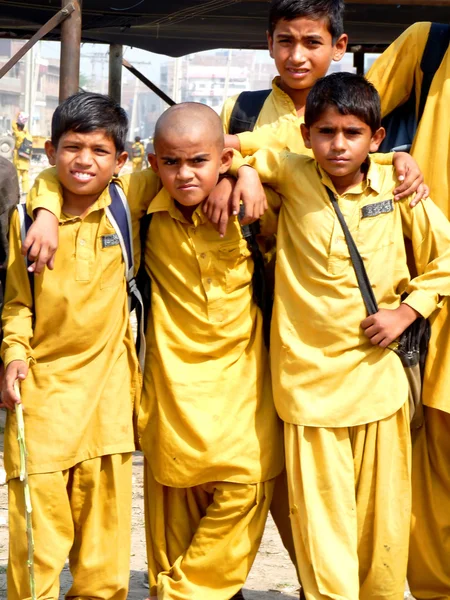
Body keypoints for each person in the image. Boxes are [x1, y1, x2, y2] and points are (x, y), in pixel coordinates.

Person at [19, 101, 280, 600]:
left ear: (221, 159)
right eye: (171, 162)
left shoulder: (255, 203)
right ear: (152, 163)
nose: (184, 175)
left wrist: (245, 170)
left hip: (243, 391)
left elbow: (310, 156)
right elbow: (73, 174)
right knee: (170, 536)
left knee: (247, 488)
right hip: (169, 394)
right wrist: (47, 211)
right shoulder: (140, 197)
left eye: (199, 162)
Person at [231, 72, 450, 600]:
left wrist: (409, 311)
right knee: (322, 531)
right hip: (308, 391)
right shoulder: (291, 170)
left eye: (352, 133)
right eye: (325, 132)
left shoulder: (399, 188)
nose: (338, 144)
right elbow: (219, 146)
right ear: (306, 136)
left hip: (380, 386)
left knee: (384, 530)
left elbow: (446, 257)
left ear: (375, 138)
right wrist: (244, 172)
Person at [0, 92, 159, 600]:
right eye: (72, 147)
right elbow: (16, 304)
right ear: (50, 150)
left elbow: (200, 157)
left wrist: (399, 157)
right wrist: (13, 356)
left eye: (99, 150)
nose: (84, 160)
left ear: (122, 160)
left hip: (108, 407)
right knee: (37, 551)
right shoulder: (25, 220)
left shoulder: (126, 203)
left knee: (104, 562)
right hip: (42, 403)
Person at [366, 25, 450, 598]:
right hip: (436, 291)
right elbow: (346, 115)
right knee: (438, 468)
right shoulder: (430, 44)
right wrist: (394, 153)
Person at [12, 112, 33, 195]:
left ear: (18, 127)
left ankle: (15, 190)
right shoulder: (27, 135)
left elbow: (13, 125)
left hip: (19, 159)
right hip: (26, 158)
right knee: (25, 176)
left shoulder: (19, 135)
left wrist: (17, 116)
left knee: (16, 176)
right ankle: (26, 190)